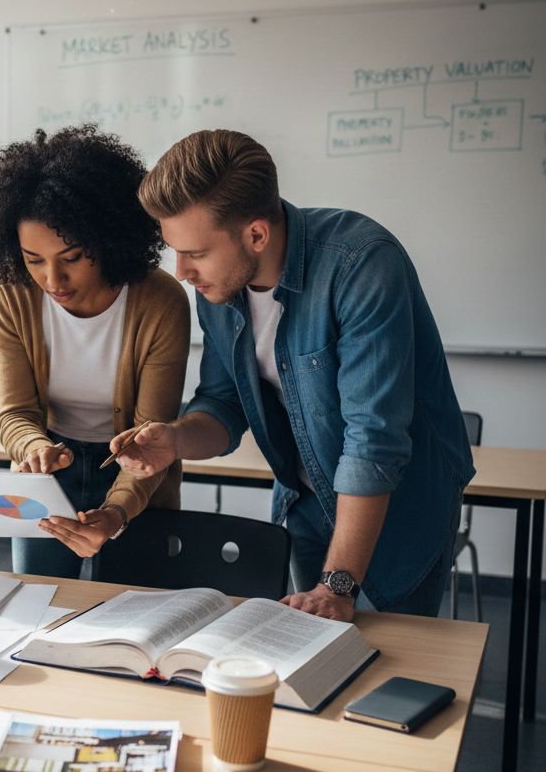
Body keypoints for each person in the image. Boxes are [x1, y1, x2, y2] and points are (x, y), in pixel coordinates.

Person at [113, 129, 474, 619]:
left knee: (390, 674)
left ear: (256, 234)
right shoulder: (218, 287)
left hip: (398, 508)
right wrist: (175, 440)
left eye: (195, 253)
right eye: (175, 251)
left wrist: (338, 584)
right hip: (305, 498)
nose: (182, 272)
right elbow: (224, 403)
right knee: (316, 665)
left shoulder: (361, 264)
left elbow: (373, 439)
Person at [0, 124, 190, 579]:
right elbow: (15, 413)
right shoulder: (11, 292)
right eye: (33, 260)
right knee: (37, 604)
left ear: (106, 238)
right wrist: (35, 448)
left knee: (131, 614)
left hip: (134, 476)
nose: (52, 280)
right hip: (44, 483)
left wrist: (117, 512)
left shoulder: (160, 301)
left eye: (70, 257)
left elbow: (150, 438)